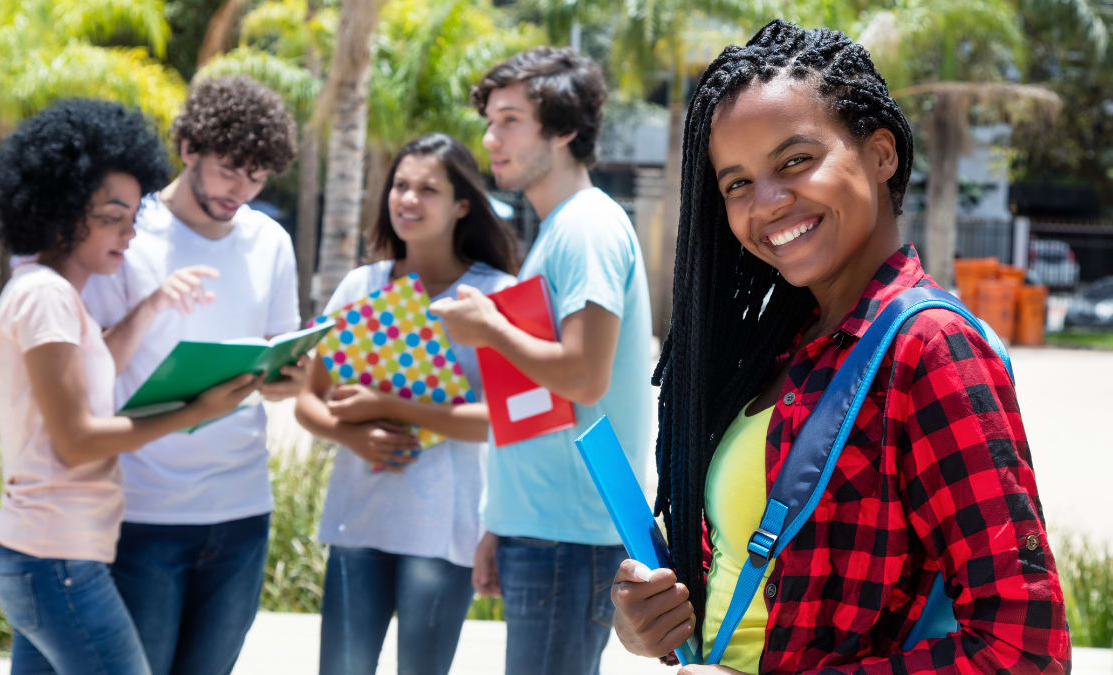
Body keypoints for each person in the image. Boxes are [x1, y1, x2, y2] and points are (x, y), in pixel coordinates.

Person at [609, 20, 1070, 674]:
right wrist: (654, 617)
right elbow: (756, 573)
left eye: (795, 160)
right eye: (737, 183)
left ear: (881, 154)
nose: (766, 202)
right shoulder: (783, 344)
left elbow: (1024, 652)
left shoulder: (930, 347)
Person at [0, 99, 260, 675]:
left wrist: (155, 302)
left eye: (134, 217)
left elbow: (96, 367)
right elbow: (78, 439)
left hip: (44, 555)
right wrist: (195, 411)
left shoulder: (51, 293)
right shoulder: (46, 297)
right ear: (60, 210)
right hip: (55, 560)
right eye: (112, 216)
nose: (129, 233)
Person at [429, 47, 654, 674]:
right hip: (547, 533)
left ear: (563, 132)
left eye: (508, 120)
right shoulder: (563, 228)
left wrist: (490, 327)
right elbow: (542, 404)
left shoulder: (586, 228)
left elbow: (585, 374)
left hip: (568, 538)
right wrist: (501, 522)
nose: (488, 138)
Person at [81, 75, 300, 675]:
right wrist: (149, 306)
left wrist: (290, 377)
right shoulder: (129, 232)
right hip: (144, 511)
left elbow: (278, 364)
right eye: (230, 170)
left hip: (241, 509)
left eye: (257, 176)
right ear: (189, 149)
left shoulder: (271, 242)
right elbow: (88, 366)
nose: (242, 191)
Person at [294, 132, 519, 675]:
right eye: (400, 185)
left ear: (463, 204)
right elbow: (307, 400)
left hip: (443, 531)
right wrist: (350, 433)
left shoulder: (493, 295)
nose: (408, 200)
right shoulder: (359, 286)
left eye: (427, 189)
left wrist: (381, 402)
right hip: (357, 523)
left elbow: (496, 421)